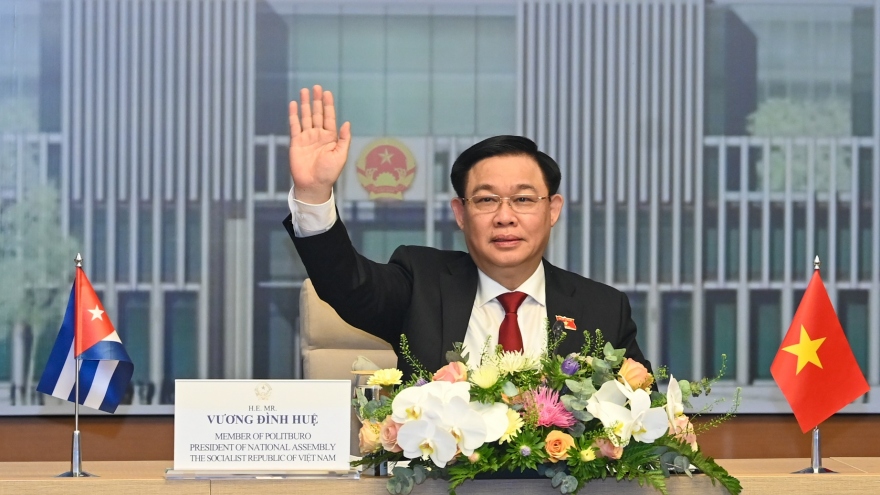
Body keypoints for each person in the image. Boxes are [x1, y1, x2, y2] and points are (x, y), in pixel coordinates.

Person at [284, 85, 650, 378]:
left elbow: (640, 411)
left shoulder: (602, 309)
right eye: (486, 200)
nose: (505, 217)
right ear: (461, 213)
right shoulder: (421, 284)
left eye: (523, 200)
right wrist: (313, 193)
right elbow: (348, 284)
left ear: (552, 209)